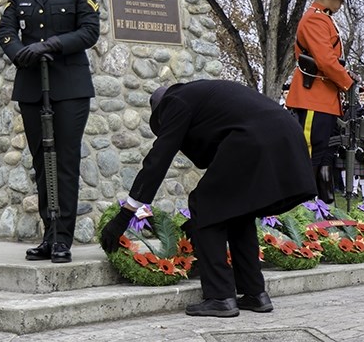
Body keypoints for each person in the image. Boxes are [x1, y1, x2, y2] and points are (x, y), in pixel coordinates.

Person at [99, 80, 317, 317]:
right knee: (237, 210)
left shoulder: (174, 102)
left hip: (256, 139)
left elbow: (158, 159)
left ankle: (220, 296)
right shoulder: (204, 97)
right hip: (285, 134)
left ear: (160, 114)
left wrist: (126, 213)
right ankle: (255, 293)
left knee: (202, 204)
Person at [0, 0, 100, 263]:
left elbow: (89, 31)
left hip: (69, 87)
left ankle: (62, 240)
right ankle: (48, 235)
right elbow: (5, 30)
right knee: (42, 163)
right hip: (31, 85)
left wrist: (50, 45)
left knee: (65, 163)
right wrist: (20, 52)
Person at [285, 0, 356, 204]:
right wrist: (348, 82)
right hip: (312, 97)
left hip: (324, 98)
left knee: (325, 154)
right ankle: (302, 207)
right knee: (310, 154)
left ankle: (325, 206)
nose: (342, 2)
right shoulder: (315, 18)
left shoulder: (324, 18)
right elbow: (325, 60)